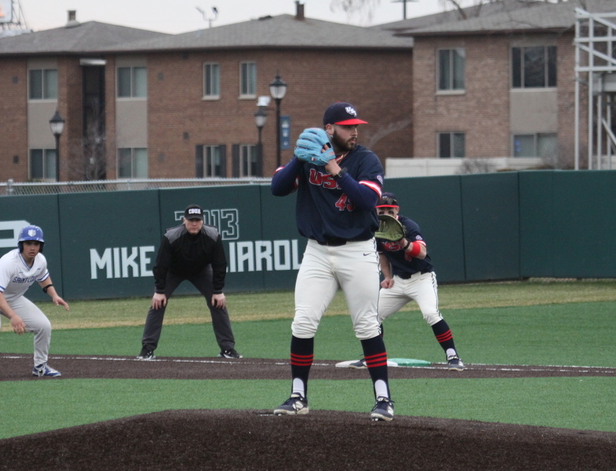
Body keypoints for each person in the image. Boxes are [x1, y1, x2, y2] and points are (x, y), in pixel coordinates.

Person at [270, 101, 394, 421]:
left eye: (355, 127)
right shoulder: (309, 159)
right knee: (303, 322)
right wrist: (300, 159)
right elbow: (277, 188)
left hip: (358, 251)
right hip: (318, 252)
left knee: (366, 326)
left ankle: (383, 400)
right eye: (347, 127)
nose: (354, 132)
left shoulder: (365, 159)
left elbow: (367, 199)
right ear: (329, 129)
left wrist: (333, 169)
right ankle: (298, 396)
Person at [342, 194, 464, 370]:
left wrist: (403, 241)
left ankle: (453, 356)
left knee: (431, 313)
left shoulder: (408, 226)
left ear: (397, 210)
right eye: (381, 210)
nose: (386, 213)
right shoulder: (375, 227)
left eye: (389, 210)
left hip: (421, 278)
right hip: (398, 281)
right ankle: (372, 357)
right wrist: (387, 276)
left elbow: (422, 253)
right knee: (372, 316)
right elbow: (382, 254)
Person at [0, 225, 69, 380]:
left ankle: (40, 367)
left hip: (13, 298)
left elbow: (43, 277)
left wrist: (54, 295)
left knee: (44, 326)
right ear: (21, 244)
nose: (32, 247)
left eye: (36, 244)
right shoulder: (9, 262)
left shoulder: (40, 260)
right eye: (28, 243)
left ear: (41, 246)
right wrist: (13, 316)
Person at [136, 204, 241, 360]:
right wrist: (159, 291)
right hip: (174, 271)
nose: (194, 223)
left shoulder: (212, 235)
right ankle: (147, 349)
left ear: (202, 221)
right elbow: (161, 265)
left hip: (201, 271)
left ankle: (227, 349)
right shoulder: (172, 236)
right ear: (184, 220)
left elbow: (220, 264)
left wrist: (218, 291)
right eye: (191, 220)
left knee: (218, 303)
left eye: (197, 220)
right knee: (157, 304)